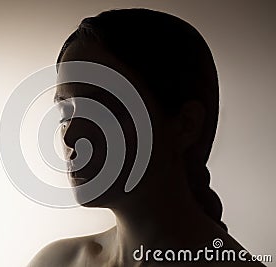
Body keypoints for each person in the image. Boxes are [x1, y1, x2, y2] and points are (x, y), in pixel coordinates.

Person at [28, 8, 266, 267]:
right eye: (65, 111)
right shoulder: (56, 261)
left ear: (185, 125)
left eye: (103, 109)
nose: (71, 136)